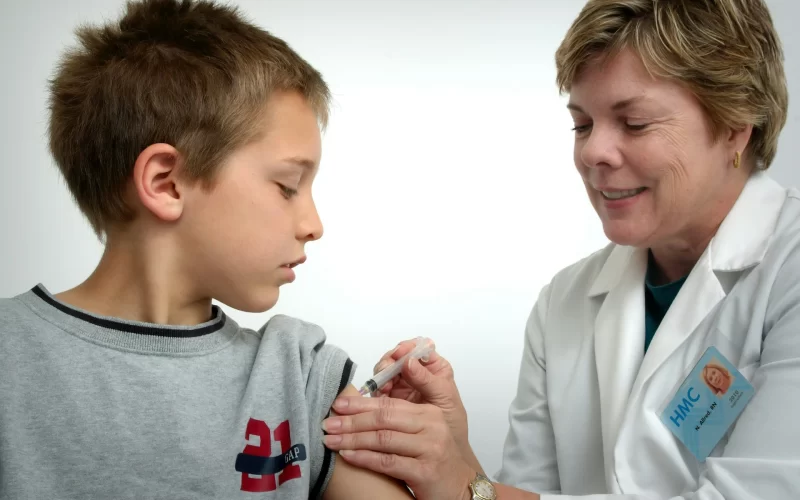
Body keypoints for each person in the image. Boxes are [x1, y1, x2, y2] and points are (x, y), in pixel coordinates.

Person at [319, 0, 800, 498]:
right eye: (582, 124)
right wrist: (457, 457)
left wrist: (463, 487)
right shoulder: (565, 302)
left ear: (734, 126)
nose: (592, 152)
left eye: (633, 123)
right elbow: (522, 494)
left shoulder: (788, 271)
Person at [0, 1, 415, 498]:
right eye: (287, 186)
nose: (314, 225)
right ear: (167, 183)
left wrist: (458, 471)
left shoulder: (301, 378)